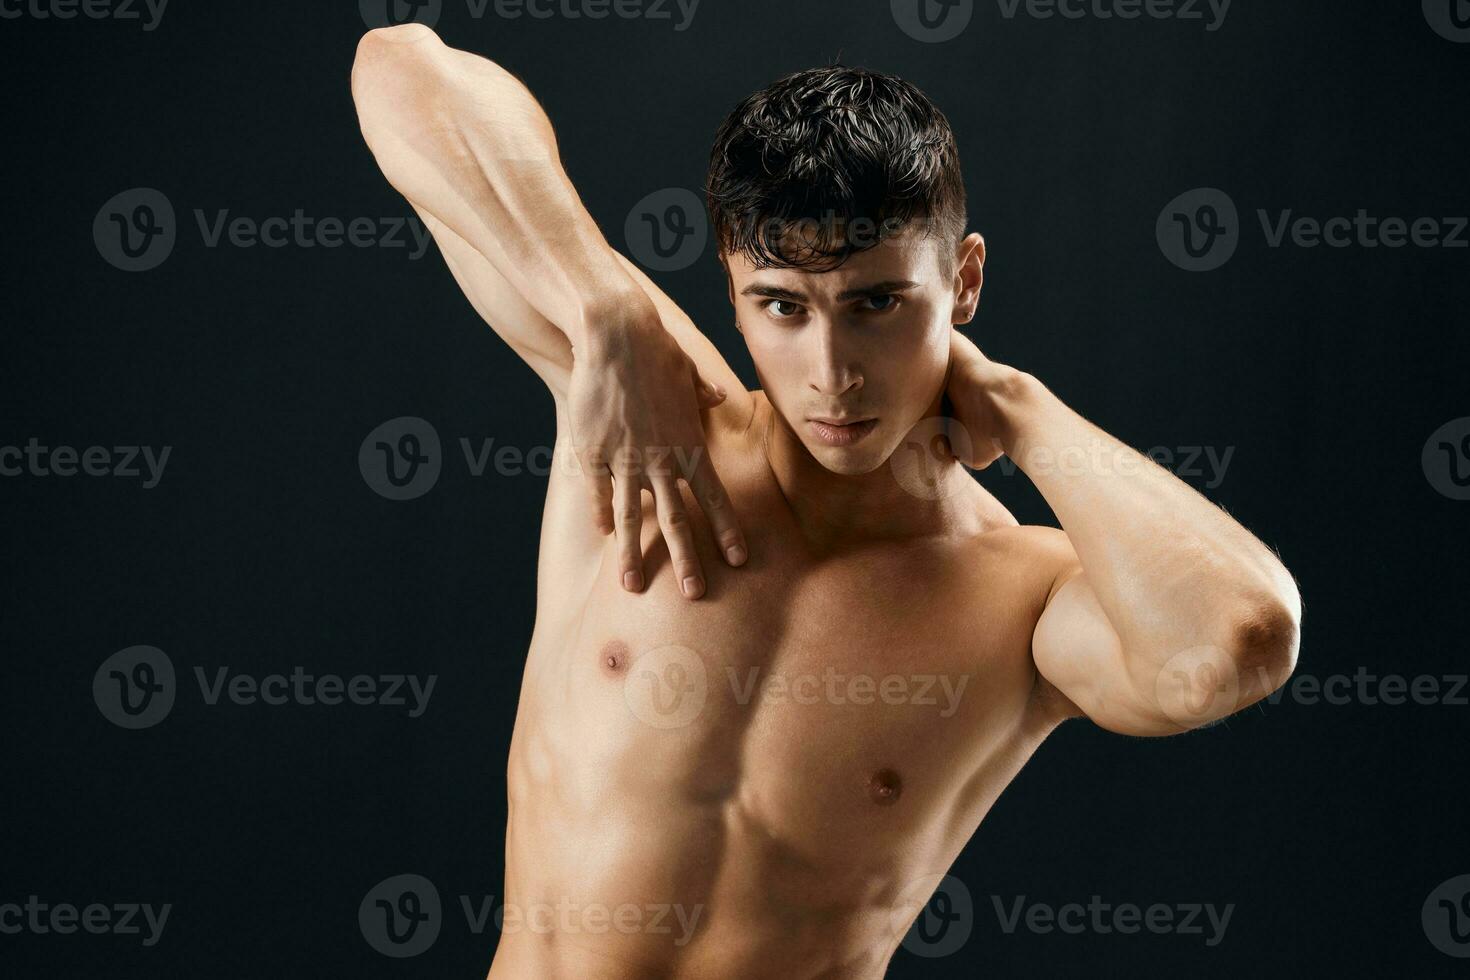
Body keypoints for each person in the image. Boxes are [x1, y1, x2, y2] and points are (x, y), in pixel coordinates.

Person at [351, 24, 1301, 978]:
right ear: (729, 285)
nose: (833, 373)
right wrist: (602, 304)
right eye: (783, 306)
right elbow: (399, 68)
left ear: (963, 280)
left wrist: (1021, 406)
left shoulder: (1019, 597)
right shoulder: (653, 421)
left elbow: (1235, 641)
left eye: (877, 304)